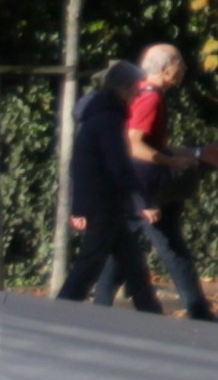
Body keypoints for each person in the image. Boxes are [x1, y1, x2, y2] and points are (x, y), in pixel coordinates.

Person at [122, 44, 218, 318]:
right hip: (144, 188)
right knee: (172, 250)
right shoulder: (150, 99)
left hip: (135, 188)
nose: (185, 68)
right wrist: (170, 165)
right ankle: (200, 314)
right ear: (166, 70)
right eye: (180, 63)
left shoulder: (143, 93)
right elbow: (135, 147)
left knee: (117, 253)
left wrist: (199, 154)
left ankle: (93, 311)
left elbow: (156, 146)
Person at [58, 59, 162, 309]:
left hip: (105, 203)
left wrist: (79, 205)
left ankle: (151, 313)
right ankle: (58, 313)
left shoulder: (100, 115)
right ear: (123, 88)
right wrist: (142, 202)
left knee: (133, 265)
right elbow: (118, 166)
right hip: (103, 204)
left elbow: (80, 167)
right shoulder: (108, 119)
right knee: (87, 267)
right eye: (136, 87)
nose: (139, 92)